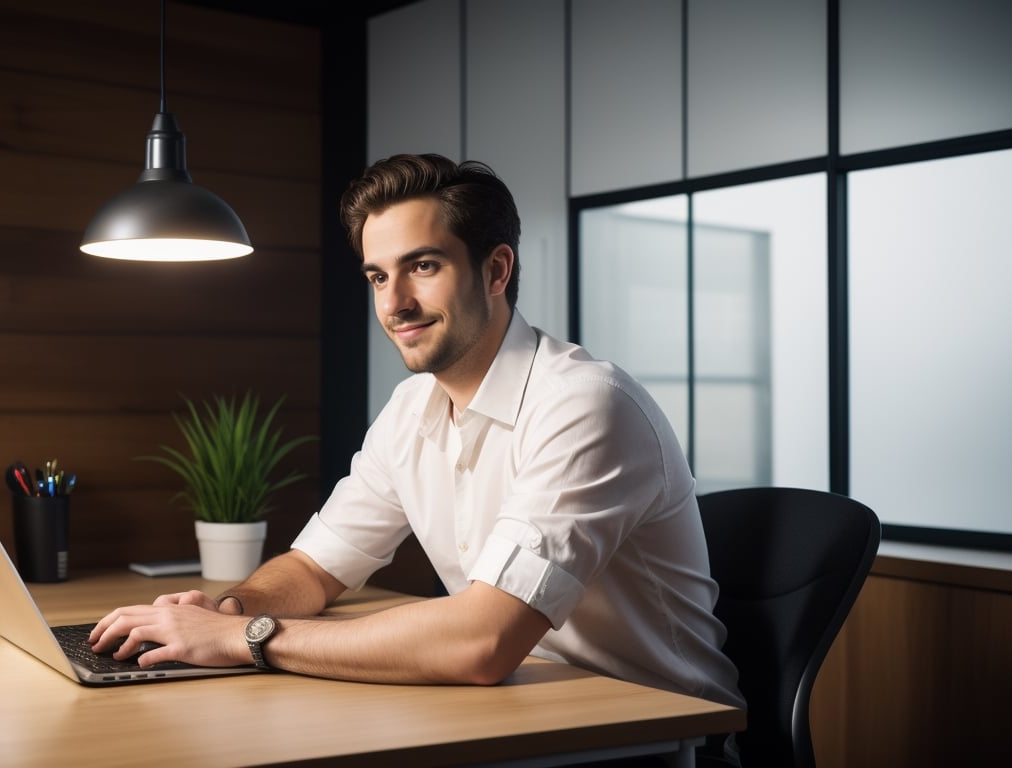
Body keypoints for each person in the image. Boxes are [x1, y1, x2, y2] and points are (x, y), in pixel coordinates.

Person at [90, 153, 743, 709]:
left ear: (495, 271)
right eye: (378, 275)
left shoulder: (584, 404)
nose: (393, 302)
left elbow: (482, 643)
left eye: (423, 266)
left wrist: (246, 639)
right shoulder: (410, 409)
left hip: (651, 732)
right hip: (518, 712)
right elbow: (315, 568)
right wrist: (224, 613)